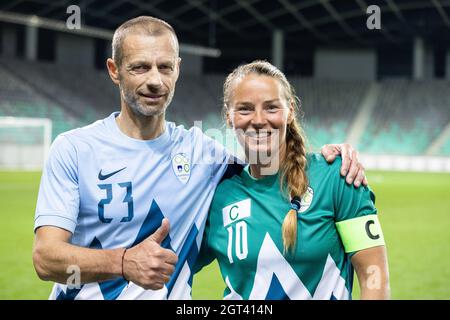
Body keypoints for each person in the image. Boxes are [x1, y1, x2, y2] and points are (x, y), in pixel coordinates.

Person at [32, 16, 368, 300]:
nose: (154, 80)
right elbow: (46, 258)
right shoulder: (74, 149)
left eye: (165, 67)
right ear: (114, 70)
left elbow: (271, 163)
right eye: (139, 67)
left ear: (178, 70)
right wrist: (123, 262)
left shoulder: (205, 155)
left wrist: (331, 156)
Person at [195, 60, 390, 300]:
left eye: (271, 107)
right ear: (229, 116)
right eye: (244, 109)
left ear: (290, 111)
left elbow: (375, 277)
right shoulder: (218, 196)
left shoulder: (337, 177)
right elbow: (171, 265)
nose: (258, 120)